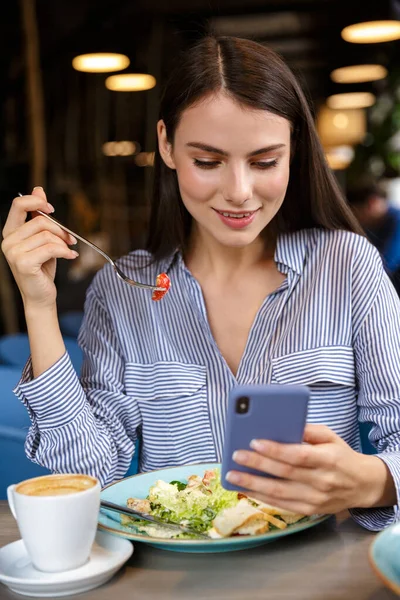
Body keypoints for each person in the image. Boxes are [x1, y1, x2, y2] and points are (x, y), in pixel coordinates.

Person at [2, 36, 400, 533]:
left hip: (322, 571)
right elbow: (87, 472)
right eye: (208, 161)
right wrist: (38, 307)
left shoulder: (347, 268)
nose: (238, 191)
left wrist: (375, 480)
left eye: (265, 161)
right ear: (166, 144)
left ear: (294, 151)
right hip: (174, 578)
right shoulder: (123, 292)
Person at [347, 179, 400, 296]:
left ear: (371, 203)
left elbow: (385, 266)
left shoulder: (397, 221)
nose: (355, 220)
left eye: (356, 214)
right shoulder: (372, 225)